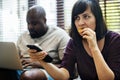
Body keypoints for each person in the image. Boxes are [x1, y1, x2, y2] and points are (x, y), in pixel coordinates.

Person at [28, 0, 120, 80]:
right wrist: (42, 61)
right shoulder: (74, 42)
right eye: (77, 18)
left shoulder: (114, 40)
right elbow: (63, 75)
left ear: (97, 18)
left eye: (86, 16)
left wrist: (94, 47)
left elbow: (107, 78)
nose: (80, 23)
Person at [17, 5, 70, 80]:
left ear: (44, 20)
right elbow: (16, 58)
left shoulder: (60, 35)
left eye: (34, 24)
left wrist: (40, 64)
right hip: (22, 69)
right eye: (28, 23)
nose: (30, 27)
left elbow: (66, 68)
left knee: (28, 76)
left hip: (46, 71)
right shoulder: (22, 36)